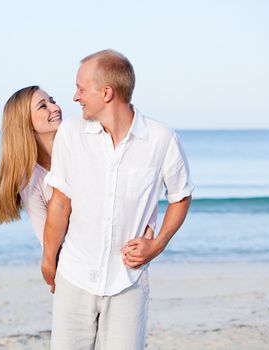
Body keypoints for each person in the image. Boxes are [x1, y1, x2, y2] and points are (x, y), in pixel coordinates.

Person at [41, 50, 194, 349]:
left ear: (107, 92)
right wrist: (49, 260)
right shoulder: (71, 133)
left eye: (81, 89)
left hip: (129, 281)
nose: (75, 97)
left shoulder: (162, 139)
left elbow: (181, 196)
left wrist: (158, 243)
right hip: (74, 275)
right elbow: (60, 202)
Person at [0, 85, 156, 244]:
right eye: (43, 106)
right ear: (24, 122)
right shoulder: (31, 181)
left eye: (52, 101)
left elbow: (137, 180)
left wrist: (149, 227)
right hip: (77, 264)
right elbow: (48, 243)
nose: (55, 108)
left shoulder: (85, 140)